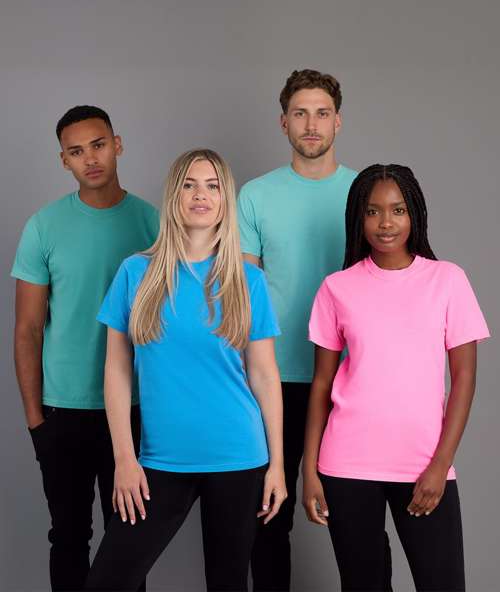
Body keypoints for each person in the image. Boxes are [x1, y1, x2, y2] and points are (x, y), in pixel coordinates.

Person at [83, 149, 287, 592]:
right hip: (160, 459)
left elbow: (265, 376)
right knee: (107, 581)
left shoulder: (248, 280)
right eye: (190, 185)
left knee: (228, 583)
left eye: (212, 186)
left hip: (238, 455)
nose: (201, 195)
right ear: (174, 195)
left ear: (224, 199)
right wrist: (124, 459)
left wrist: (278, 466)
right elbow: (116, 372)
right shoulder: (135, 273)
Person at [303, 164, 490, 592]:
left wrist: (440, 464)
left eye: (398, 210)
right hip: (347, 464)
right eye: (373, 211)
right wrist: (309, 470)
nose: (385, 223)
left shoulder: (448, 280)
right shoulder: (337, 287)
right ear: (359, 217)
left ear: (414, 214)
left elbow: (464, 378)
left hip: (423, 463)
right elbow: (321, 385)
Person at [11, 105, 159, 592]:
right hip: (63, 412)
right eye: (76, 152)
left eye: (98, 145)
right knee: (69, 537)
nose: (90, 159)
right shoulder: (44, 226)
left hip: (135, 410)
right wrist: (36, 420)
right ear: (63, 161)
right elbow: (28, 329)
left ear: (117, 145)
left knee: (128, 540)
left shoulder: (153, 224)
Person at [237, 68, 357, 590]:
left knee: (356, 518)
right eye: (300, 113)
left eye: (322, 113)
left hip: (352, 376)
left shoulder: (363, 191)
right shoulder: (255, 196)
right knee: (268, 517)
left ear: (338, 121)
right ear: (283, 122)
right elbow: (243, 293)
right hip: (275, 375)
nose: (311, 124)